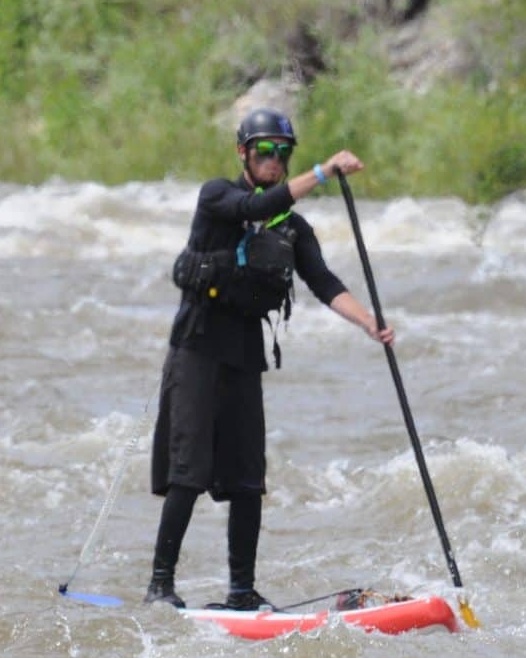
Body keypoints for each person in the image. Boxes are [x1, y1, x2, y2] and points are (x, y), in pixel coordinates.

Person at [145, 107, 395, 610]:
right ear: (244, 154)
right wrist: (324, 172)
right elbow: (256, 209)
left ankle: (241, 590)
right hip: (195, 350)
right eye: (265, 152)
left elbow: (323, 282)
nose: (274, 161)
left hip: (243, 357)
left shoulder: (294, 230)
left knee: (246, 479)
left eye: (283, 153)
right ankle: (160, 586)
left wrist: (368, 321)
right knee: (189, 472)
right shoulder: (217, 197)